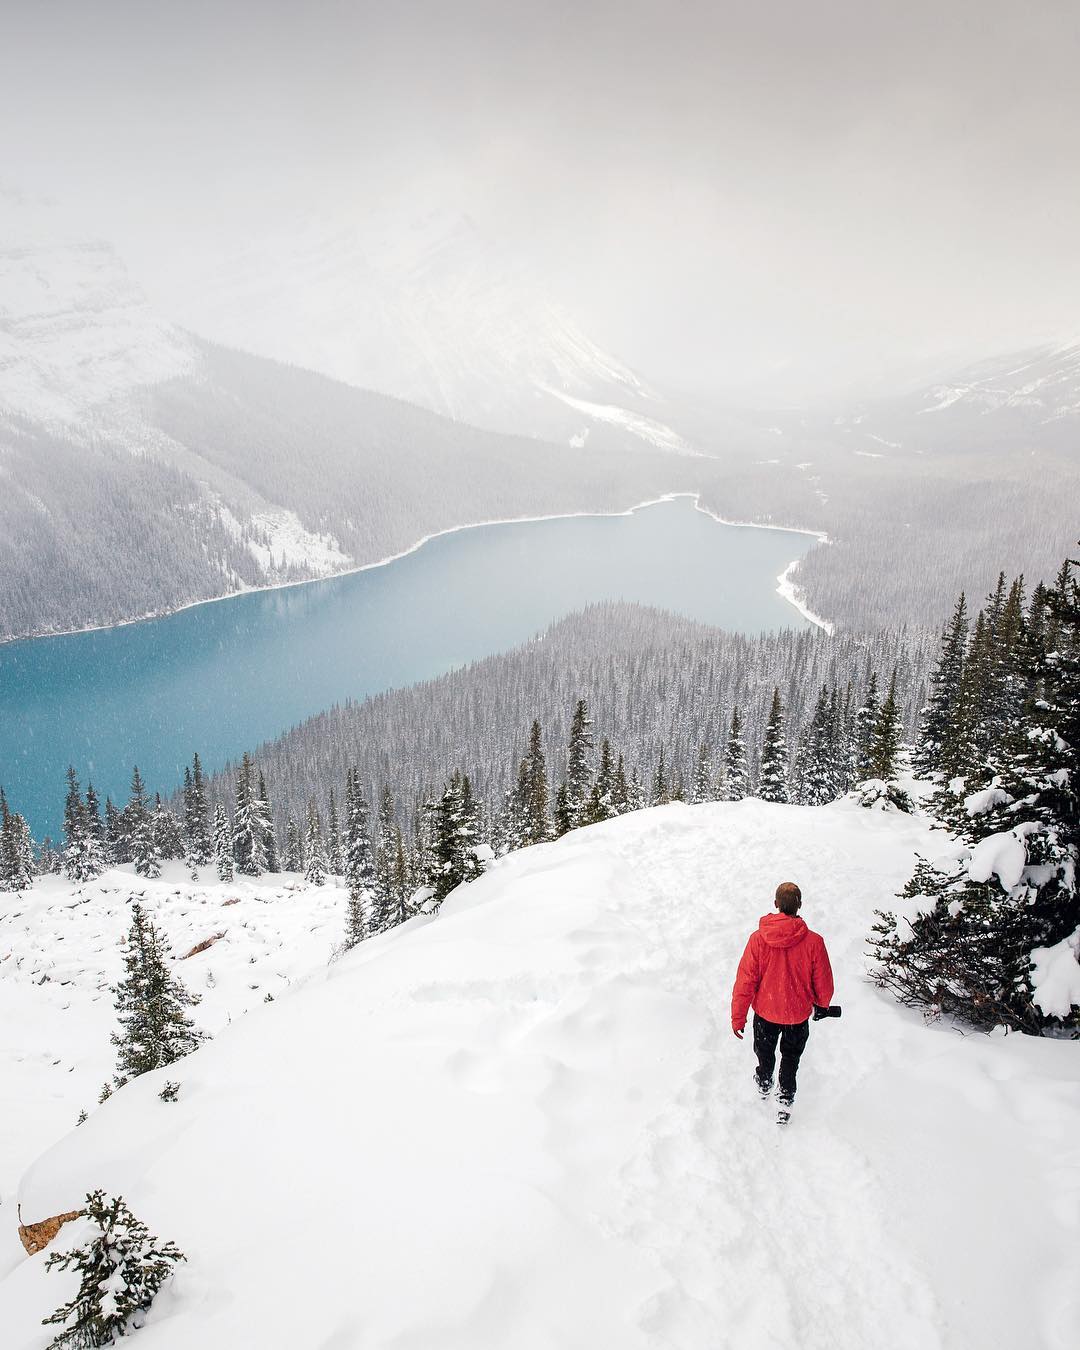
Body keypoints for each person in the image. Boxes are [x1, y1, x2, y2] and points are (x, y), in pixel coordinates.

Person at [730, 881, 834, 1113]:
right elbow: (824, 982)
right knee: (791, 1059)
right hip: (797, 1016)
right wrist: (822, 1005)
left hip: (765, 1013)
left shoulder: (758, 939)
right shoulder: (814, 942)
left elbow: (745, 980)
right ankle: (786, 1097)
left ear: (776, 904)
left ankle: (764, 1081)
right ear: (800, 905)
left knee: (764, 1052)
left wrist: (738, 1017)